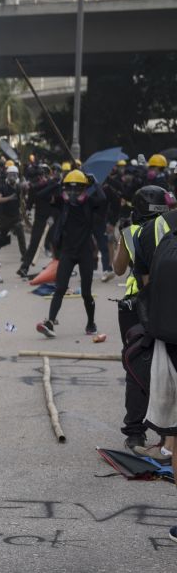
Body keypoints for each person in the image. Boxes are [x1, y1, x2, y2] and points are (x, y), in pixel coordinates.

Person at [112, 186, 170, 458]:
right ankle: (168, 435)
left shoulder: (131, 232)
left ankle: (135, 431)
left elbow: (118, 268)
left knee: (136, 368)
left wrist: (121, 238)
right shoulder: (168, 229)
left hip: (135, 308)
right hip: (167, 305)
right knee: (167, 368)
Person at [36, 169, 104, 338]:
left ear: (85, 190)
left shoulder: (89, 202)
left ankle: (91, 323)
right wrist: (57, 183)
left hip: (85, 253)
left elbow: (103, 199)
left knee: (87, 293)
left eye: (78, 189)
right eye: (69, 189)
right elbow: (40, 196)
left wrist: (95, 183)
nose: (73, 193)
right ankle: (50, 322)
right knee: (60, 288)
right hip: (67, 252)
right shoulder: (62, 202)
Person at [0, 165, 27, 262]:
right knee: (3, 238)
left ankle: (25, 255)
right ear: (7, 175)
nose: (12, 177)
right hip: (5, 217)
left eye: (14, 175)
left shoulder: (19, 187)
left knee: (20, 233)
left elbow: (23, 200)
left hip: (16, 216)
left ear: (17, 176)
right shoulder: (2, 187)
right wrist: (9, 198)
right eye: (10, 175)